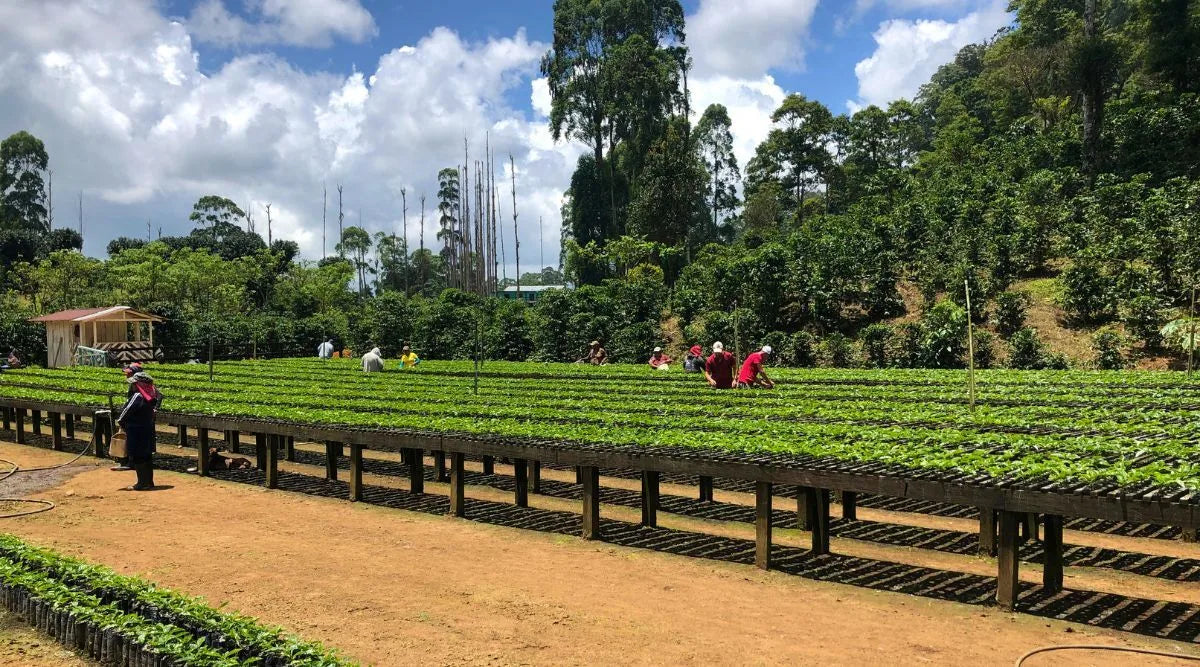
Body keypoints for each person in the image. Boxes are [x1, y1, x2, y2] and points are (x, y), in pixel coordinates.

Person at [116, 372, 162, 491]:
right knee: (146, 455)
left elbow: (127, 410)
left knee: (137, 455)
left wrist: (120, 421)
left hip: (135, 430)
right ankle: (149, 482)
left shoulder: (138, 396)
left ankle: (141, 483)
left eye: (134, 384)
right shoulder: (152, 396)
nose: (132, 386)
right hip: (147, 428)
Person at [111, 363, 145, 471]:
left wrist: (122, 418)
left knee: (133, 441)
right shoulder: (135, 385)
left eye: (129, 373)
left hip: (135, 418)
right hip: (134, 417)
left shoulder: (141, 387)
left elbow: (133, 403)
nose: (126, 375)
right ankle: (129, 461)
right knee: (129, 440)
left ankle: (131, 463)